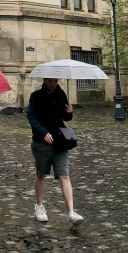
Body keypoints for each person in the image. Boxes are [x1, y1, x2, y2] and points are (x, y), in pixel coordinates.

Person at [27, 77, 83, 227]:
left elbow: (65, 118)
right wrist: (43, 132)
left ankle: (71, 212)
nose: (53, 84)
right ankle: (39, 206)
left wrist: (69, 112)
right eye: (50, 81)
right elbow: (31, 118)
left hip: (60, 141)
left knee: (64, 175)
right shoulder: (36, 96)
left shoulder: (61, 94)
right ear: (45, 80)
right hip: (41, 142)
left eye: (55, 81)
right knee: (41, 175)